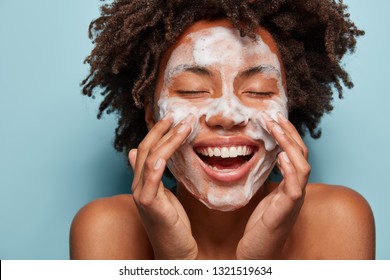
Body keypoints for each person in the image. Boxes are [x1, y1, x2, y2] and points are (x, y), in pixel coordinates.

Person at [70, 0, 375, 259]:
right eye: (192, 91)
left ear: (287, 112)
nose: (227, 116)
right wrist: (175, 263)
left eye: (258, 91)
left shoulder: (338, 219)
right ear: (152, 116)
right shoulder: (105, 228)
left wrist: (257, 263)